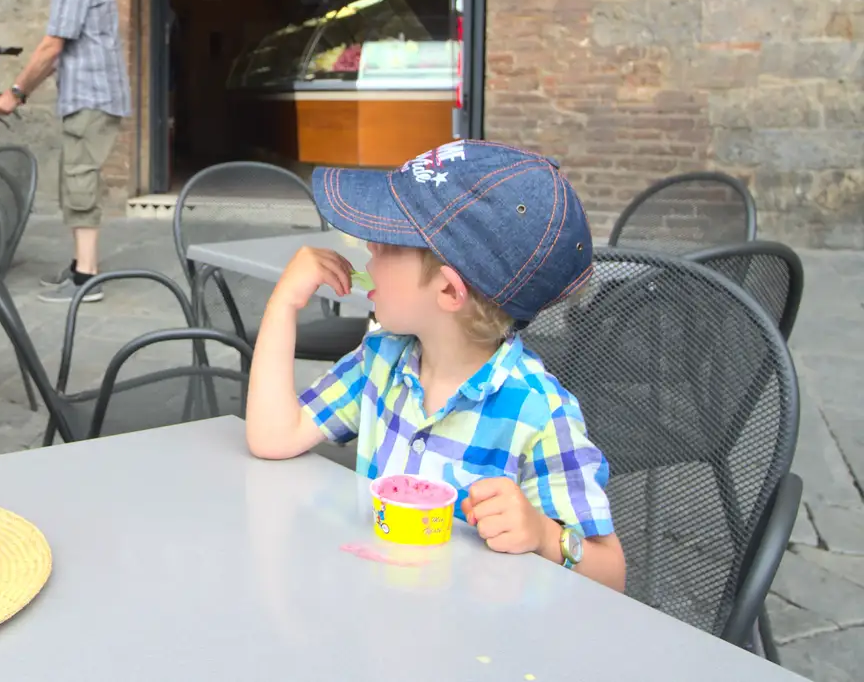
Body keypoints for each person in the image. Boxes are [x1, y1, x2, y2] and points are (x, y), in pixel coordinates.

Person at [244, 141, 626, 592]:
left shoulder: (539, 413)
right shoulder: (382, 362)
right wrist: (284, 302)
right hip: (378, 619)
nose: (368, 247)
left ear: (448, 292)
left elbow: (611, 573)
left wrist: (545, 536)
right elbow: (273, 436)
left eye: (386, 244)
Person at [0, 0, 131, 304]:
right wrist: (22, 91)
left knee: (80, 181)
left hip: (91, 97)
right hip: (89, 94)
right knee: (75, 180)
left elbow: (53, 45)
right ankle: (78, 267)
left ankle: (86, 279)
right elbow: (64, 50)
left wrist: (14, 93)